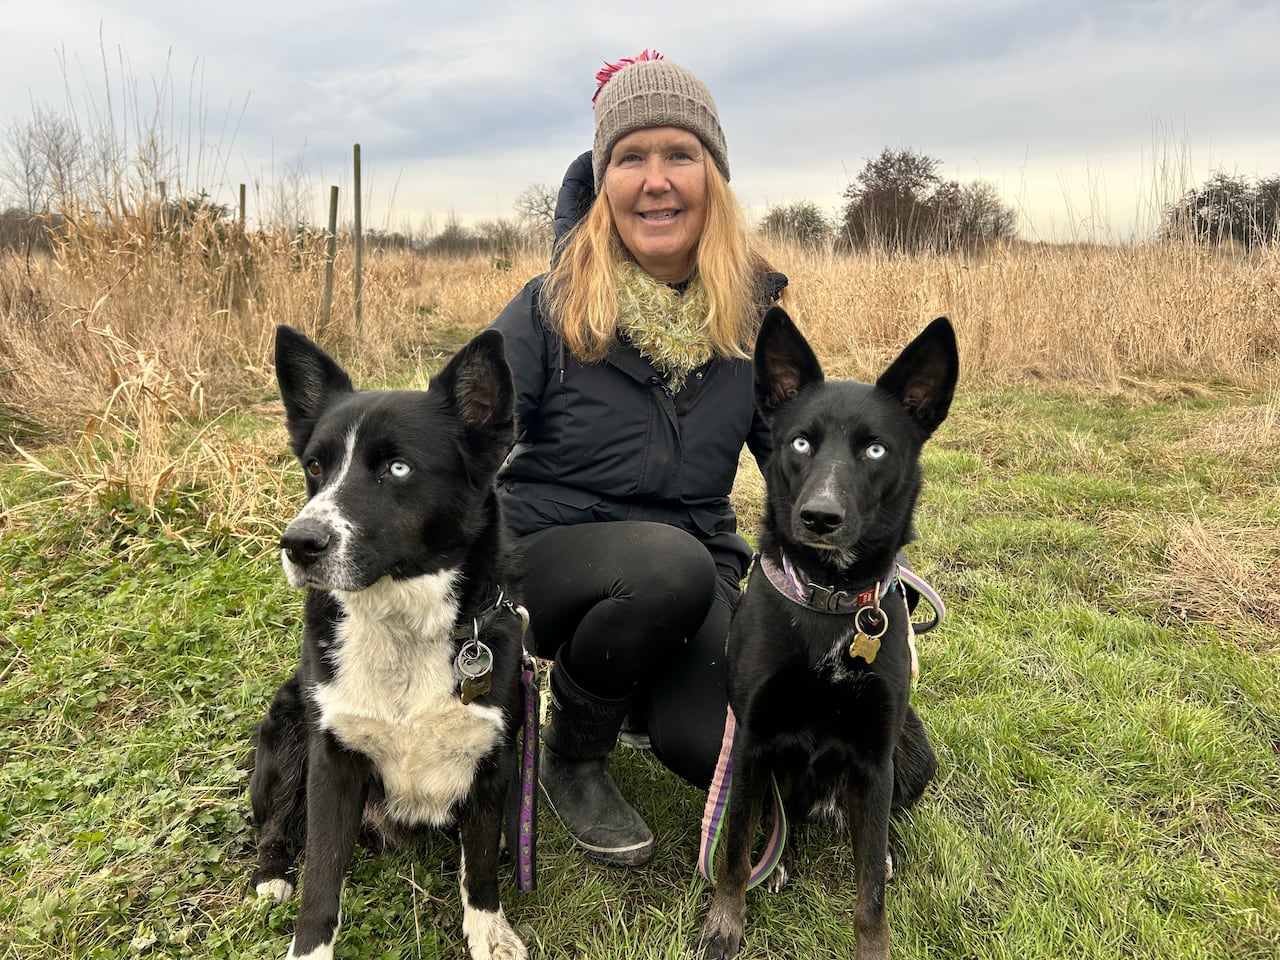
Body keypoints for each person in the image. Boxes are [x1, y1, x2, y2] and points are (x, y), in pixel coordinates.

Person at [488, 51, 787, 867]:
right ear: (604, 181)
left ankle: (633, 690)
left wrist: (863, 579)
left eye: (679, 154)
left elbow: (801, 461)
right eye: (630, 158)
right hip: (544, 561)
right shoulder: (549, 306)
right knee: (666, 566)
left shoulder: (752, 322)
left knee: (738, 751)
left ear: (713, 176)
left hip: (691, 575)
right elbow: (463, 444)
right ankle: (573, 751)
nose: (656, 181)